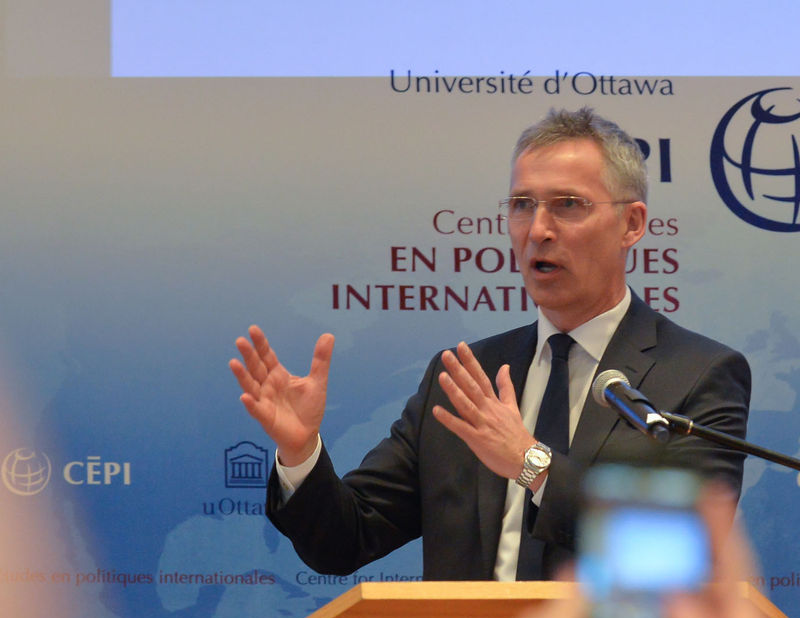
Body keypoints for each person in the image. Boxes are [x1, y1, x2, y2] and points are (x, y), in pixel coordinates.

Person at [230, 107, 750, 581]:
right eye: (523, 205)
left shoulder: (697, 373)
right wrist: (299, 451)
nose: (538, 230)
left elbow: (685, 539)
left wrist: (530, 462)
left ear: (631, 224)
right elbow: (345, 541)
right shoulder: (464, 377)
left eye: (568, 205)